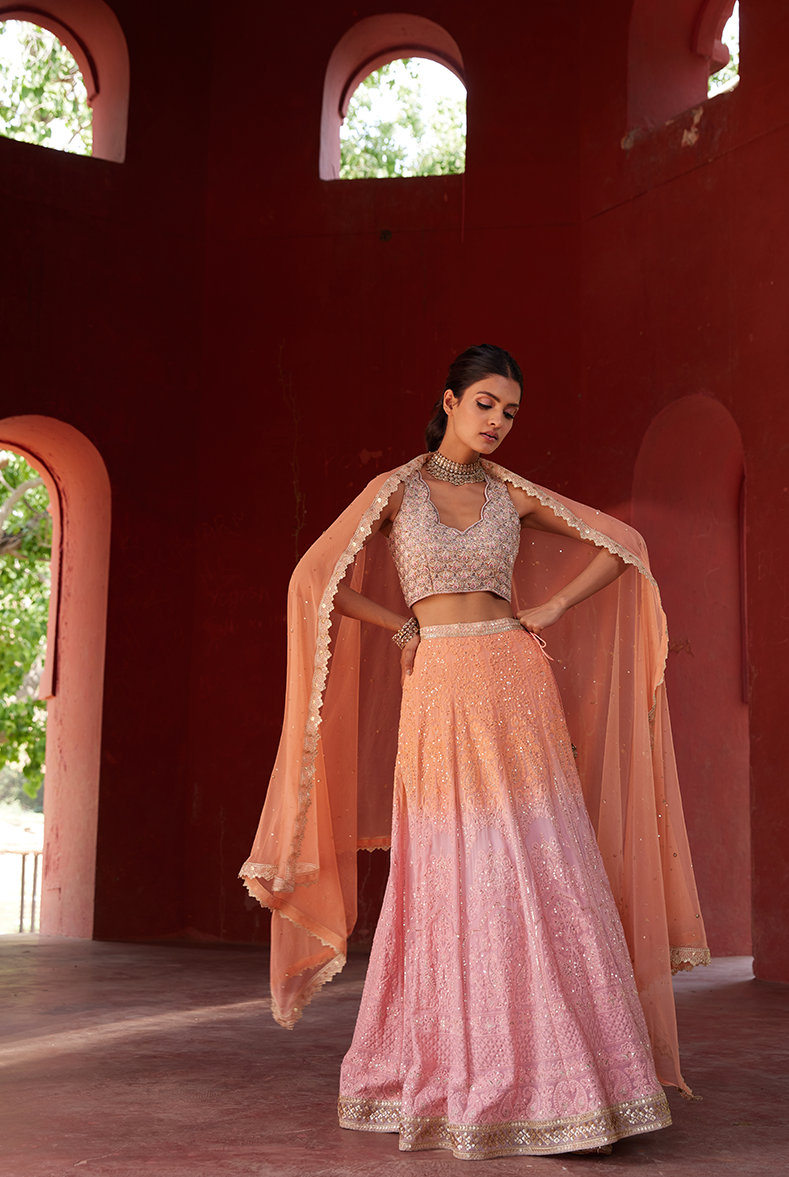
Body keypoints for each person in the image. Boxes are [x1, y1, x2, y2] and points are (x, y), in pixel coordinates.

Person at [240, 345, 709, 1160]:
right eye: (487, 404)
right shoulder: (394, 491)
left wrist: (552, 605)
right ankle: (469, 1073)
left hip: (514, 675)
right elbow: (314, 582)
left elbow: (623, 543)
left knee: (544, 859)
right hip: (439, 687)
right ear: (449, 401)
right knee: (458, 869)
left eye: (512, 412)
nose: (498, 423)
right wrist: (403, 625)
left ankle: (577, 1084)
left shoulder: (510, 497)